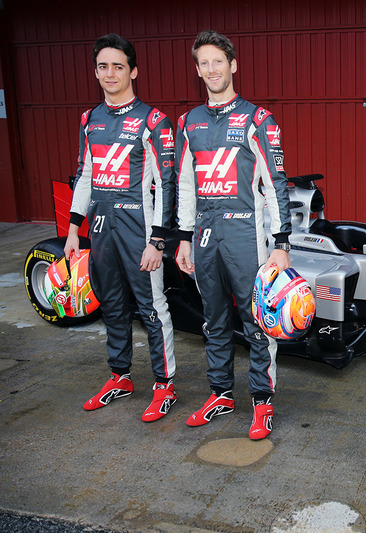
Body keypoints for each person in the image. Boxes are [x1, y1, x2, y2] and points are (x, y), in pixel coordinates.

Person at [175, 30, 292, 440]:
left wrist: (281, 244)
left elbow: (276, 184)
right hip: (206, 233)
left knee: (258, 319)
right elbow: (185, 186)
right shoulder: (188, 122)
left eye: (218, 61)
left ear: (233, 65)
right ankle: (221, 393)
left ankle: (262, 402)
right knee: (213, 319)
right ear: (197, 70)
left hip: (246, 233)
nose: (211, 69)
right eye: (204, 63)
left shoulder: (258, 119)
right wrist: (184, 237)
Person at [65, 33, 177, 421]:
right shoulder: (89, 119)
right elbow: (84, 176)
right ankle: (120, 376)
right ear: (95, 72)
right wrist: (73, 229)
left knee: (151, 308)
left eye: (117, 66)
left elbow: (167, 184)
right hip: (99, 227)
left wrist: (158, 240)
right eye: (102, 66)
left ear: (133, 71)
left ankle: (165, 386)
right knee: (111, 304)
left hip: (138, 229)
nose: (109, 73)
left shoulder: (153, 120)